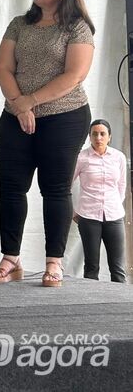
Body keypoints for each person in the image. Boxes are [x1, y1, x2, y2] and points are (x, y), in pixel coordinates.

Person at [0, 0, 94, 288]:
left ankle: (54, 263)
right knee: (11, 186)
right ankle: (11, 259)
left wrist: (29, 101)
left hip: (65, 116)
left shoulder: (77, 28)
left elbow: (73, 75)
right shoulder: (19, 24)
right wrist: (19, 104)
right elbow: (3, 67)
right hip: (16, 115)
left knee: (55, 189)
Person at [73, 119, 127, 283]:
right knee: (91, 267)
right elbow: (65, 185)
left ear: (109, 136)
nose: (98, 137)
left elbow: (121, 185)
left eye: (102, 134)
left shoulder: (119, 157)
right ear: (89, 136)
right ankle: (91, 305)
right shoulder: (81, 158)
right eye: (94, 134)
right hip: (88, 217)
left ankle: (121, 303)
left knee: (118, 268)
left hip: (114, 216)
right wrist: (72, 212)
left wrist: (116, 204)